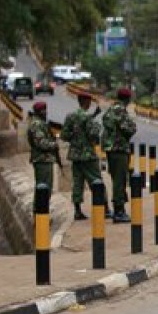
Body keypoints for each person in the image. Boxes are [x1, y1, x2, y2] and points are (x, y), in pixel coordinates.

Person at [61, 92, 105, 221]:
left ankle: (77, 210)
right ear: (87, 102)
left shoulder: (71, 116)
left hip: (75, 154)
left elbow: (64, 135)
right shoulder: (87, 117)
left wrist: (75, 139)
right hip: (88, 155)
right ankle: (104, 208)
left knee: (77, 182)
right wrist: (96, 126)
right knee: (96, 181)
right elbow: (93, 135)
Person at [101, 87, 137, 223]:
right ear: (127, 99)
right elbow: (129, 129)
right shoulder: (120, 111)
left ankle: (119, 208)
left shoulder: (111, 109)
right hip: (119, 149)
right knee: (119, 181)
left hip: (112, 150)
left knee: (117, 178)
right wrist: (133, 124)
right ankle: (119, 211)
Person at [27, 101, 58, 206]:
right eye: (43, 110)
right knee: (44, 189)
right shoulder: (37, 124)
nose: (46, 112)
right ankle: (39, 215)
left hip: (44, 159)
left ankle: (42, 213)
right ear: (39, 111)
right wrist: (55, 144)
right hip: (42, 160)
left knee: (44, 188)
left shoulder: (40, 122)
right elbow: (41, 143)